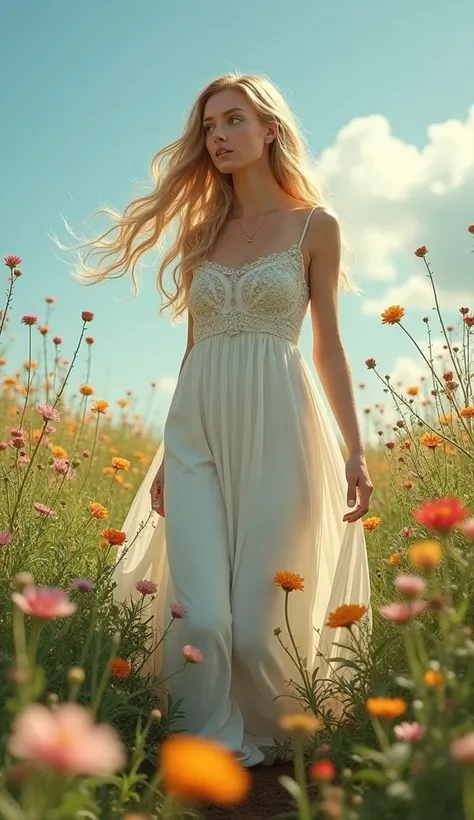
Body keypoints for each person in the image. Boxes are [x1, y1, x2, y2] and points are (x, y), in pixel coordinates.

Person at [79, 73, 372, 768]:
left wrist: (356, 453)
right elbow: (191, 350)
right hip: (197, 435)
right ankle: (205, 749)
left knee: (251, 631)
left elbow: (328, 346)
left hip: (281, 429)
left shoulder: (315, 226)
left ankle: (276, 739)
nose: (217, 136)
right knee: (203, 619)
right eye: (209, 126)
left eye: (233, 120)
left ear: (269, 129)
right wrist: (163, 456)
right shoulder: (201, 233)